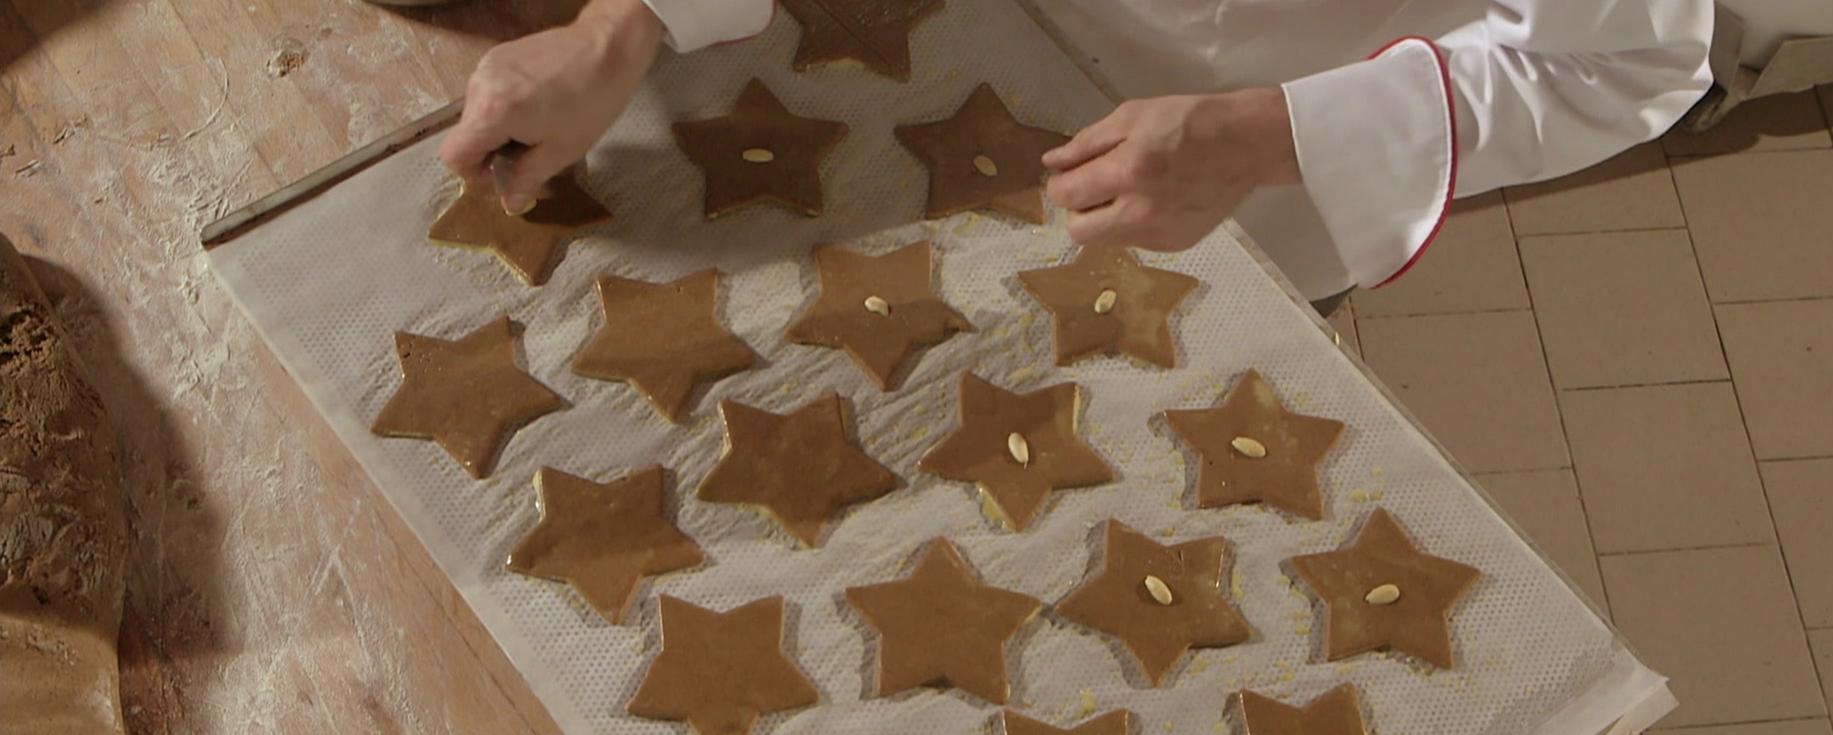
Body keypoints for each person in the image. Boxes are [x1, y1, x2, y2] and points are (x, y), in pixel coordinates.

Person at [440, 0, 1712, 304]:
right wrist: (624, 27)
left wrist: (1271, 133)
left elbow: (1625, 57)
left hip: (1229, 153)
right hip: (940, 53)